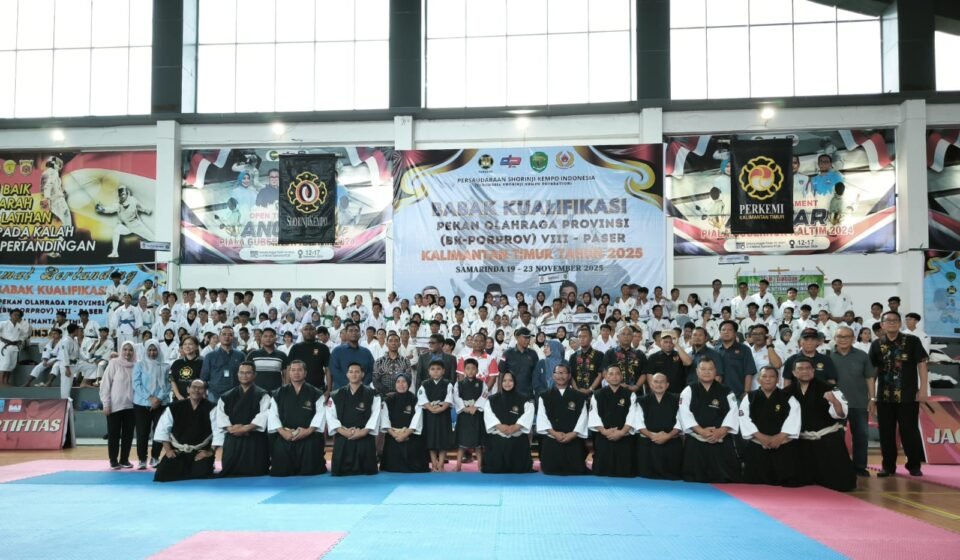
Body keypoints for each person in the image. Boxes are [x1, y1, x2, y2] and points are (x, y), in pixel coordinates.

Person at [870, 311, 929, 477]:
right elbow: (872, 372)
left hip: (908, 396)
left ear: (900, 323)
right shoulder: (876, 344)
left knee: (909, 432)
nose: (892, 323)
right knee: (886, 433)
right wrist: (871, 397)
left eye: (895, 320)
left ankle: (914, 465)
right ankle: (888, 466)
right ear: (882, 325)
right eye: (888, 320)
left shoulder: (912, 341)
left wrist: (923, 389)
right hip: (884, 397)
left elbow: (922, 364)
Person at [788, 357, 856, 491]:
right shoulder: (787, 391)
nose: (805, 371)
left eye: (808, 368)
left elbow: (842, 414)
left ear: (813, 371)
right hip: (802, 441)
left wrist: (835, 402)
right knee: (794, 481)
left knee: (841, 483)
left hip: (827, 440)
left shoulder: (829, 388)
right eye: (800, 369)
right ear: (794, 373)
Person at [679, 357, 741, 483]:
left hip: (720, 438)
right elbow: (684, 413)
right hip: (697, 439)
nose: (707, 372)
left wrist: (721, 431)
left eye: (710, 369)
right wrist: (701, 431)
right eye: (703, 369)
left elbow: (734, 412)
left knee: (726, 478)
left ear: (715, 371)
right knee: (694, 479)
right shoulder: (688, 390)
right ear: (697, 371)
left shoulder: (726, 390)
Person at [738, 366, 802, 486]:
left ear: (778, 380)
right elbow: (744, 418)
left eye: (772, 376)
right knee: (753, 484)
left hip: (782, 446)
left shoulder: (787, 397)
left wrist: (780, 437)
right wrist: (761, 437)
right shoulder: (750, 397)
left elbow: (794, 417)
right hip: (758, 445)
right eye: (764, 376)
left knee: (787, 483)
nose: (768, 379)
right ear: (759, 379)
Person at [267, 360, 327, 477]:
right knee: (280, 468)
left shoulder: (316, 393)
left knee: (310, 468)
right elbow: (272, 415)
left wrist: (308, 431)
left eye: (299, 370)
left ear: (305, 373)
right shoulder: (278, 393)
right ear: (288, 373)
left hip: (308, 435)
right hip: (286, 434)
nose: (296, 373)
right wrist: (282, 432)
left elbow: (320, 414)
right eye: (293, 370)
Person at [830, 326, 876, 477]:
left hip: (859, 403)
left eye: (847, 336)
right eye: (840, 336)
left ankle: (860, 467)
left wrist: (872, 399)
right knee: (835, 437)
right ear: (834, 338)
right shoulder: (827, 356)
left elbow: (869, 377)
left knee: (861, 436)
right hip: (835, 405)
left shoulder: (862, 356)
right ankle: (837, 466)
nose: (843, 339)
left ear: (853, 339)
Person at [153, 380, 219, 482]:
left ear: (205, 391)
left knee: (201, 474)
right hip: (178, 451)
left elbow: (218, 431)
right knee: (162, 475)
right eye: (194, 387)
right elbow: (162, 429)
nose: (196, 390)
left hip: (200, 451)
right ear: (188, 389)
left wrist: (210, 452)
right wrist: (168, 450)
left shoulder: (212, 408)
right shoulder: (174, 407)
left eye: (200, 388)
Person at [217, 362, 271, 478]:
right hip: (233, 436)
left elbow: (265, 414)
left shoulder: (262, 394)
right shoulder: (226, 396)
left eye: (248, 373)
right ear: (237, 374)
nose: (244, 376)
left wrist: (246, 428)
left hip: (254, 437)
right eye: (241, 373)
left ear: (254, 375)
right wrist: (231, 428)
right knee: (230, 472)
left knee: (257, 471)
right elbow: (221, 415)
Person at [327, 363, 382, 476]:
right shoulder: (336, 394)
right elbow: (330, 415)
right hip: (343, 434)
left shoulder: (373, 394)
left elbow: (376, 415)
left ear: (362, 374)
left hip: (364, 435)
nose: (354, 374)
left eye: (357, 372)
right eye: (351, 372)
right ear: (347, 374)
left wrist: (364, 431)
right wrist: (343, 431)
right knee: (339, 470)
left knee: (369, 469)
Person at [536, 363, 589, 475]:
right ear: (553, 376)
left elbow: (583, 418)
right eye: (558, 373)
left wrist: (573, 434)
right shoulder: (544, 396)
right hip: (552, 438)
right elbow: (542, 418)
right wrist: (554, 433)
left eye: (564, 373)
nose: (561, 376)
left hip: (572, 438)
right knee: (549, 470)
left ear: (569, 376)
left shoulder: (579, 396)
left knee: (577, 469)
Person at [588, 365, 636, 477]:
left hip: (624, 436)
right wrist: (604, 431)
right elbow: (594, 415)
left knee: (625, 471)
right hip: (604, 435)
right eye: (611, 374)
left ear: (622, 377)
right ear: (606, 377)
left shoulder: (630, 394)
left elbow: (632, 415)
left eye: (617, 373)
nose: (614, 376)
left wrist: (622, 432)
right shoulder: (597, 394)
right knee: (602, 471)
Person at [633, 373, 683, 480]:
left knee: (672, 476)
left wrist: (668, 436)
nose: (659, 385)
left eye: (662, 382)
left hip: (671, 441)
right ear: (651, 384)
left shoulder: (677, 399)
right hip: (649, 442)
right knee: (646, 477)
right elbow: (638, 423)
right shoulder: (642, 400)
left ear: (667, 385)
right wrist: (653, 436)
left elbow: (681, 421)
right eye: (656, 382)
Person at [482, 371, 534, 473]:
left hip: (517, 438)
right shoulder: (492, 399)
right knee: (495, 468)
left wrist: (515, 427)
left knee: (519, 469)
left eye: (510, 380)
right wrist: (500, 426)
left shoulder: (524, 399)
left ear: (515, 382)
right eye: (504, 381)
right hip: (498, 438)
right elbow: (489, 415)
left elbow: (528, 414)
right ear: (500, 382)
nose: (507, 383)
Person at [379, 373, 430, 473]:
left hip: (410, 435)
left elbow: (417, 420)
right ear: (394, 384)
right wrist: (395, 435)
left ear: (409, 384)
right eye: (398, 382)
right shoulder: (388, 400)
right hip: (394, 436)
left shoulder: (415, 399)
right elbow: (385, 420)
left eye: (404, 382)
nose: (401, 384)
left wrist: (405, 434)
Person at [132, 341, 170, 469]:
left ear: (159, 350)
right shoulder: (139, 365)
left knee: (159, 431)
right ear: (145, 351)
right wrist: (150, 398)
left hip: (161, 404)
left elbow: (168, 384)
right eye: (149, 350)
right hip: (141, 404)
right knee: (142, 432)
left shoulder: (165, 366)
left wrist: (158, 399)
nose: (152, 353)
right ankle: (142, 459)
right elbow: (136, 384)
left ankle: (155, 457)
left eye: (154, 350)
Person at [100, 341, 137, 469]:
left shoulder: (137, 365)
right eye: (125, 349)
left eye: (130, 350)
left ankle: (124, 459)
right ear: (121, 350)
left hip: (132, 406)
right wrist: (106, 403)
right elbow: (105, 384)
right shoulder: (114, 363)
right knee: (113, 434)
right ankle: (113, 460)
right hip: (114, 406)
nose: (128, 352)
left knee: (128, 435)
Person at [95, 184, 154, 258]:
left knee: (152, 238)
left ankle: (161, 247)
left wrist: (146, 210)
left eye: (123, 194)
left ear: (127, 194)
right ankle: (115, 252)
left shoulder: (133, 200)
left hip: (137, 226)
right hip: (126, 227)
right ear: (119, 196)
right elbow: (109, 209)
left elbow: (140, 206)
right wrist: (102, 209)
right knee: (116, 230)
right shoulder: (118, 205)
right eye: (120, 195)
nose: (122, 196)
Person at [417, 360, 455, 472]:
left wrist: (442, 408)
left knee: (443, 440)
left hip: (444, 415)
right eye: (432, 369)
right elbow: (422, 398)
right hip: (430, 416)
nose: (435, 372)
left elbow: (449, 399)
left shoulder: (448, 384)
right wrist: (431, 408)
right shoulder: (424, 384)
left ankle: (441, 464)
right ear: (428, 371)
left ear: (443, 371)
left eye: (438, 369)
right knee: (431, 440)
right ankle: (434, 464)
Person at [453, 358, 488, 471]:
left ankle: (480, 466)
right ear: (464, 370)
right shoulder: (459, 384)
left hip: (476, 414)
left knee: (478, 443)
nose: (470, 371)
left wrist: (476, 407)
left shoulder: (482, 383)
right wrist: (464, 408)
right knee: (461, 442)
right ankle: (458, 465)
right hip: (464, 415)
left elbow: (484, 395)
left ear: (477, 370)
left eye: (473, 368)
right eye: (468, 368)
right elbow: (456, 397)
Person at [200, 325, 244, 402]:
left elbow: (244, 375)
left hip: (235, 393)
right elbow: (204, 378)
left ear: (233, 338)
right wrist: (203, 393)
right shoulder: (210, 356)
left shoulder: (240, 355)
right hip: (214, 394)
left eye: (230, 335)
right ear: (219, 337)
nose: (227, 337)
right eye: (224, 334)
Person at [330, 323, 374, 390]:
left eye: (356, 331)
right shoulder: (337, 351)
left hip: (362, 391)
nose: (354, 333)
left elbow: (371, 371)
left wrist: (361, 385)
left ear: (360, 334)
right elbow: (334, 371)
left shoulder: (366, 352)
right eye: (350, 331)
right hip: (341, 391)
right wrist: (350, 386)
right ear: (346, 334)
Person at [245, 327, 289, 393]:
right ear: (261, 338)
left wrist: (285, 390)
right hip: (256, 393)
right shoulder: (253, 355)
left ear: (275, 338)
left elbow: (285, 375)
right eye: (265, 336)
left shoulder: (282, 355)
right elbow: (246, 373)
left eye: (271, 336)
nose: (268, 338)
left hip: (276, 393)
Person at [497, 327, 538, 396]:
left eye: (529, 337)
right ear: (517, 337)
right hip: (511, 393)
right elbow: (501, 373)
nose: (527, 340)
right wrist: (500, 393)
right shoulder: (507, 353)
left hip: (528, 394)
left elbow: (536, 374)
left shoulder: (533, 354)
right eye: (525, 337)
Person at [603, 327, 646, 392]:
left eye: (629, 334)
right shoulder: (610, 353)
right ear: (618, 337)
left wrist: (636, 386)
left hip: (635, 391)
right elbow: (604, 371)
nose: (626, 336)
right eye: (623, 334)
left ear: (632, 337)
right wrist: (615, 384)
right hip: (614, 390)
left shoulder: (639, 354)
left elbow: (644, 373)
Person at [372, 332, 413, 398]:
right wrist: (386, 392)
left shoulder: (405, 361)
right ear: (386, 344)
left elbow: (408, 379)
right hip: (384, 396)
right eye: (390, 341)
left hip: (401, 395)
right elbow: (375, 380)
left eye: (396, 341)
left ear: (399, 344)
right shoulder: (379, 361)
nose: (393, 343)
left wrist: (398, 392)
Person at [0, 309, 31, 386]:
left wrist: (20, 340)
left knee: (11, 365)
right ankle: (1, 382)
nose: (16, 316)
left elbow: (25, 335)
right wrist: (2, 339)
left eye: (18, 315)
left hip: (14, 347)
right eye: (15, 314)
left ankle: (6, 382)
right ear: (10, 315)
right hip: (5, 347)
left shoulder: (19, 326)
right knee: (5, 364)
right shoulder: (3, 323)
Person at [169, 336, 202, 401]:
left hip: (196, 399)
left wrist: (194, 395)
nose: (187, 346)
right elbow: (171, 379)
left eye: (190, 344)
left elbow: (204, 382)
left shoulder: (202, 363)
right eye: (185, 344)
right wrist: (178, 396)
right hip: (178, 399)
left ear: (196, 346)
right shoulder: (177, 363)